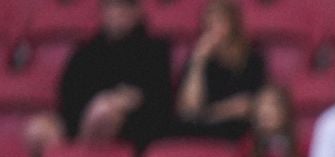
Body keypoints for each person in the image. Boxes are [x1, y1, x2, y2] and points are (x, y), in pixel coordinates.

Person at [45, 0, 174, 148]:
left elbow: (158, 99)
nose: (116, 14)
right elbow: (68, 94)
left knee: (102, 112)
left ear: (137, 12)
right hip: (80, 119)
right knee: (39, 130)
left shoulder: (154, 50)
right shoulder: (86, 51)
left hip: (132, 125)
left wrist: (122, 101)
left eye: (122, 8)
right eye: (111, 7)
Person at [173, 0, 265, 141]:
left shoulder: (252, 59)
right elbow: (189, 110)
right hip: (201, 127)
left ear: (233, 24)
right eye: (209, 25)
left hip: (235, 129)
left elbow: (246, 106)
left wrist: (208, 114)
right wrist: (198, 62)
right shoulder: (197, 59)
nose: (214, 30)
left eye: (219, 22)